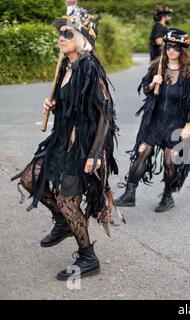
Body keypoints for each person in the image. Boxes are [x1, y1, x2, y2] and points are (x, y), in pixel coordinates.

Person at [12, 8, 121, 280]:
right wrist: (54, 104)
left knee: (68, 202)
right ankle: (62, 222)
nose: (61, 37)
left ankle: (88, 258)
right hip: (60, 142)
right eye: (60, 33)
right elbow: (72, 103)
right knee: (29, 179)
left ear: (84, 38)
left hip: (81, 148)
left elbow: (106, 114)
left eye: (68, 33)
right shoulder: (67, 66)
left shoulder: (89, 67)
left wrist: (95, 154)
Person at [115, 28, 190, 212]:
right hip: (154, 120)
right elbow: (146, 90)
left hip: (175, 123)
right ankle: (130, 193)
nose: (172, 50)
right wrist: (154, 82)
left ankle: (167, 196)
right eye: (169, 46)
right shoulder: (157, 67)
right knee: (142, 151)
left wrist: (189, 125)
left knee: (170, 162)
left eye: (177, 48)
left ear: (183, 51)